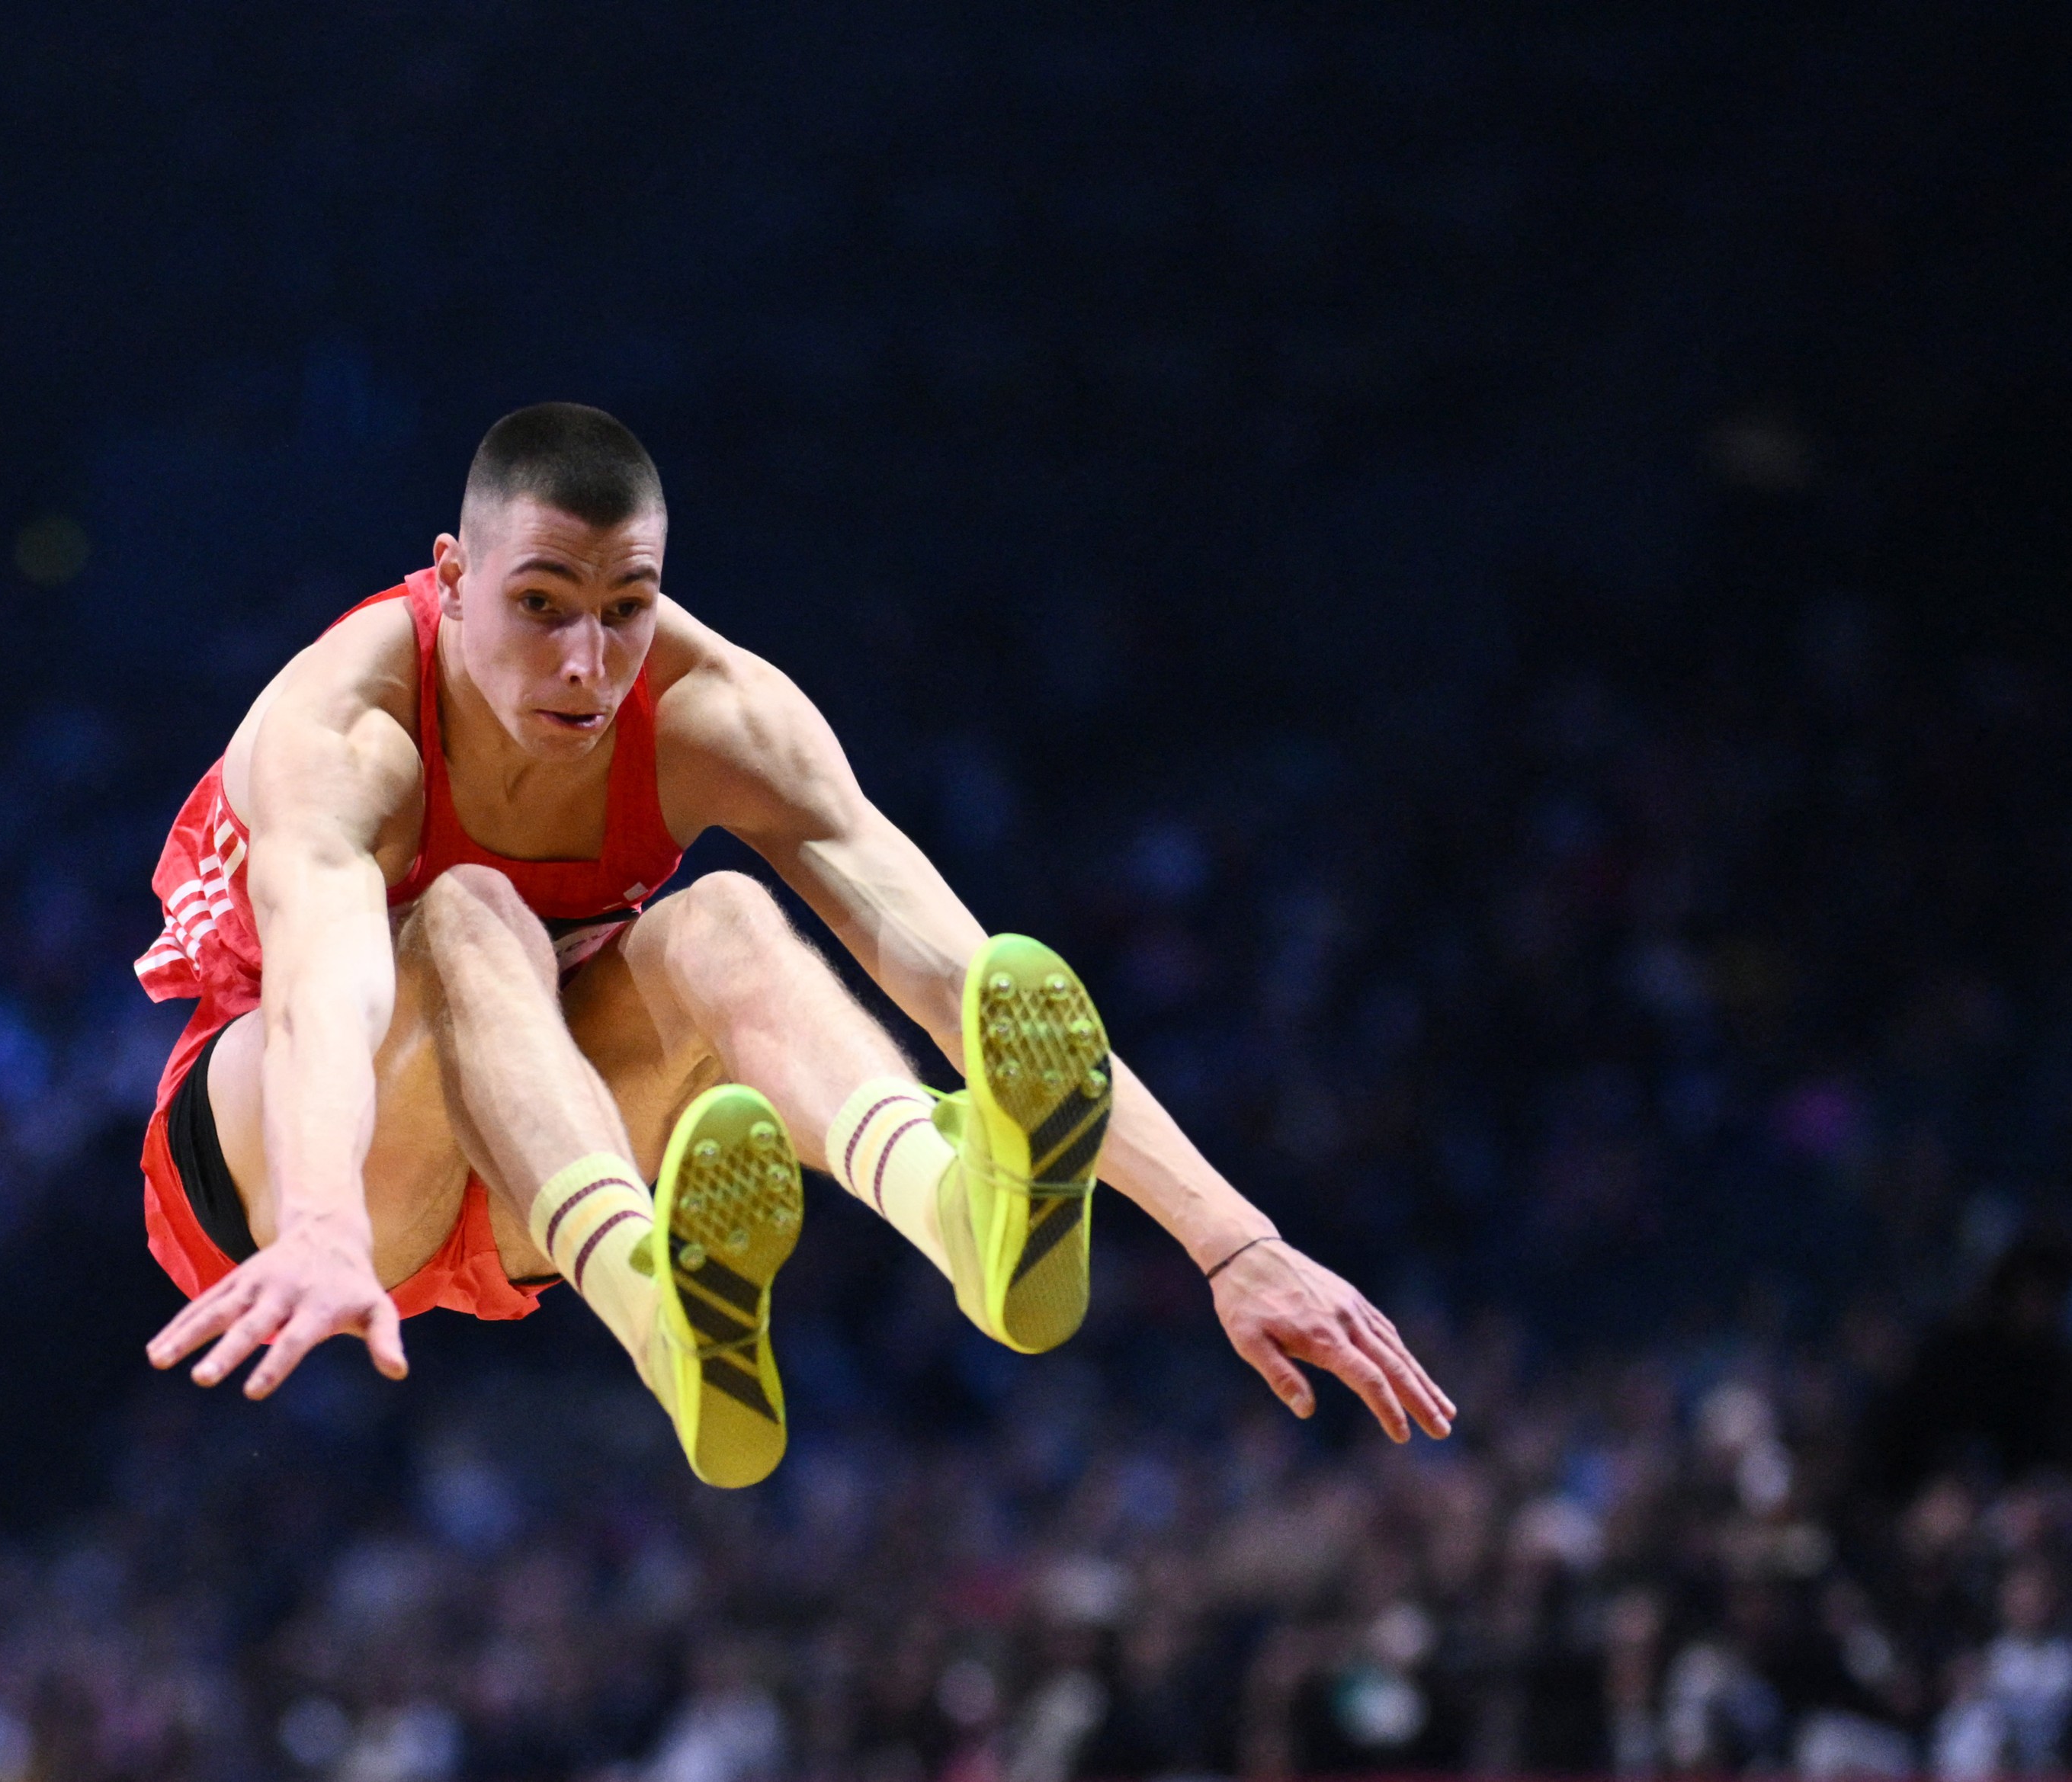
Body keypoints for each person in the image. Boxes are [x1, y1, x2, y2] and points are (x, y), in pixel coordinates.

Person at [136, 403, 1454, 1485]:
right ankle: (658, 1311)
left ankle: (957, 1209)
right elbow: (328, 988)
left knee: (725, 921)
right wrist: (316, 1219)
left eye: (626, 606)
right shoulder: (345, 721)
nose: (588, 664)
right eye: (540, 606)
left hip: (535, 1148)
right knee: (470, 913)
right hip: (287, 1159)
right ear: (452, 574)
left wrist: (1234, 1242)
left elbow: (969, 982)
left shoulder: (717, 714)